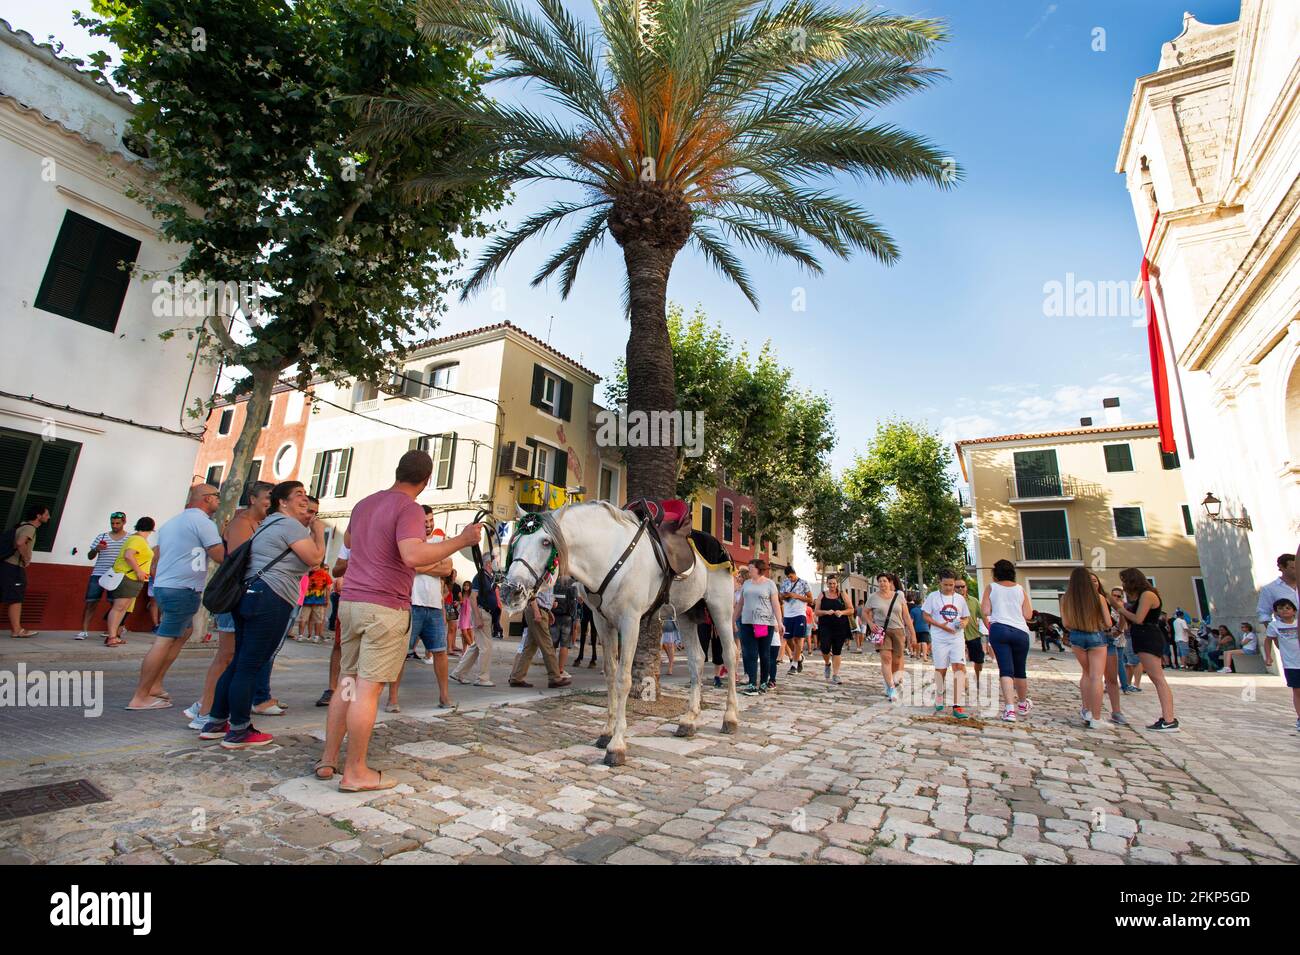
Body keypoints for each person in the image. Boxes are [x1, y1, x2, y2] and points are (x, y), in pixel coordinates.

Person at [318, 451, 478, 789]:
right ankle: (356, 771)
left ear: (397, 471)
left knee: (347, 682)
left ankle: (328, 760)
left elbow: (348, 542)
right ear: (427, 480)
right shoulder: (409, 509)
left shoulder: (364, 504)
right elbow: (413, 554)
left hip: (351, 603)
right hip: (384, 608)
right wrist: (462, 540)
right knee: (368, 689)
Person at [197, 481, 325, 748]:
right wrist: (319, 532)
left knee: (239, 662)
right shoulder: (289, 525)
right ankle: (240, 730)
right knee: (249, 665)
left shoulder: (268, 524)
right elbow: (314, 559)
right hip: (271, 597)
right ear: (283, 502)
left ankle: (217, 721)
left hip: (251, 595)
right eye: (298, 495)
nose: (305, 500)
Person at [126, 485, 225, 710]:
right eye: (217, 497)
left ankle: (155, 685)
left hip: (166, 585)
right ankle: (140, 696)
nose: (219, 501)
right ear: (207, 499)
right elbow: (219, 555)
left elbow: (156, 556)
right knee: (166, 638)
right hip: (183, 588)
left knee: (183, 632)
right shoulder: (203, 523)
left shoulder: (171, 523)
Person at [185, 482, 272, 729]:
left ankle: (203, 703)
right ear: (253, 498)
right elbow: (239, 559)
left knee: (235, 656)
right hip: (237, 593)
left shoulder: (258, 523)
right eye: (267, 497)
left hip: (247, 594)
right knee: (226, 656)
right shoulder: (241, 523)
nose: (271, 502)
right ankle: (205, 712)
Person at [389, 507, 455, 712]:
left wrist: (420, 565)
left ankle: (444, 696)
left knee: (440, 652)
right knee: (400, 654)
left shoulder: (439, 543)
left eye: (431, 520)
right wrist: (431, 563)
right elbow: (408, 566)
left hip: (434, 607)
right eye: (424, 520)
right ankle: (392, 699)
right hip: (411, 605)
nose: (428, 524)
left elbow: (447, 569)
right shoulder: (408, 543)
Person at [1110, 568, 1178, 732]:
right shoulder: (1140, 597)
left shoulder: (1147, 595)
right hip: (1141, 636)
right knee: (1157, 678)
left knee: (1158, 678)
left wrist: (1119, 608)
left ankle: (1169, 719)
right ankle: (1167, 717)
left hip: (1148, 636)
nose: (1124, 585)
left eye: (1125, 581)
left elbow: (1138, 618)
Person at [980, 559, 1034, 723]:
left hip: (999, 629)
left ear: (996, 573)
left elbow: (985, 610)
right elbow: (1028, 614)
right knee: (1020, 670)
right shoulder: (1020, 589)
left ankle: (1009, 709)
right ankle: (1023, 704)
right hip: (1020, 631)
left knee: (1005, 669)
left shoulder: (991, 587)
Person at [1060, 568, 1112, 729]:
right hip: (1096, 635)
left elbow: (1066, 624)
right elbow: (1109, 623)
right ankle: (1096, 718)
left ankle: (1086, 709)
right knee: (1097, 676)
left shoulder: (1066, 599)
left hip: (1076, 637)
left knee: (1086, 673)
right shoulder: (1099, 597)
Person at [921, 570, 970, 718]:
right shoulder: (933, 597)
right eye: (945, 584)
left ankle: (957, 705)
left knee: (959, 668)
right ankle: (939, 695)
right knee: (941, 669)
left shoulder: (960, 599)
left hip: (956, 638)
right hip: (940, 638)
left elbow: (966, 617)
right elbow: (926, 616)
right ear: (939, 583)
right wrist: (940, 625)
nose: (948, 588)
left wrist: (963, 623)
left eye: (951, 585)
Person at [103, 518, 155, 647]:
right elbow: (128, 555)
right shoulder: (137, 540)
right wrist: (138, 571)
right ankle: (111, 636)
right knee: (119, 607)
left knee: (123, 608)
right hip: (129, 576)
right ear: (152, 528)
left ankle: (114, 635)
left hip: (133, 578)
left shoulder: (137, 539)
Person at [508, 582, 569, 688]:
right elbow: (531, 593)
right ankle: (555, 678)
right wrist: (537, 611)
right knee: (547, 646)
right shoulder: (542, 573)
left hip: (541, 610)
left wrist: (548, 611)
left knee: (529, 648)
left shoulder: (550, 575)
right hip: (537, 611)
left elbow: (543, 597)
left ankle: (517, 677)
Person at [736, 557, 782, 696]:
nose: (749, 570)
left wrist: (779, 622)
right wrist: (733, 620)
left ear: (758, 569)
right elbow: (740, 604)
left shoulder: (769, 584)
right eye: (748, 568)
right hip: (747, 623)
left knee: (764, 654)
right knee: (750, 654)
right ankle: (751, 684)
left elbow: (775, 604)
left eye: (751, 568)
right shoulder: (746, 584)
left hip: (764, 623)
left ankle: (763, 682)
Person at [2, 504, 50, 638]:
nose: (48, 517)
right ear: (38, 516)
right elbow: (20, 543)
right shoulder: (30, 528)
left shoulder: (21, 525)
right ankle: (17, 630)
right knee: (16, 598)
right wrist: (26, 558)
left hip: (6, 566)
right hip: (13, 567)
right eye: (46, 514)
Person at [80, 511, 130, 639]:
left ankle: (112, 631)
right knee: (91, 602)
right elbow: (90, 556)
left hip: (116, 575)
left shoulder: (129, 539)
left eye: (117, 523)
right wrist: (96, 549)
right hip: (98, 573)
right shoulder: (102, 536)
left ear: (124, 522)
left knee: (115, 604)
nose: (114, 526)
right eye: (112, 523)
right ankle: (84, 631)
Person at [451, 553, 498, 687]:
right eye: (495, 561)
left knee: (477, 647)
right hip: (482, 613)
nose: (497, 563)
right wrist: (477, 617)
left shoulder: (490, 577)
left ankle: (458, 673)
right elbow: (473, 597)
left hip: (486, 614)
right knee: (486, 647)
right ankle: (482, 678)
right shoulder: (480, 577)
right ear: (489, 563)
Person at [867, 573, 912, 701]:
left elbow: (906, 616)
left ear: (890, 583)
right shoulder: (873, 598)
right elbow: (866, 612)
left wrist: (912, 634)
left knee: (897, 660)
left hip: (898, 630)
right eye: (880, 581)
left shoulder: (898, 597)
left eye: (885, 581)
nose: (882, 583)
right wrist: (871, 624)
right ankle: (891, 687)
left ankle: (892, 679)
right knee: (886, 658)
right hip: (882, 631)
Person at [1093, 573, 1128, 724]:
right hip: (1091, 638)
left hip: (1106, 636)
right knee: (1093, 677)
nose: (1093, 583)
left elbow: (1123, 611)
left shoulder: (1106, 597)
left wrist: (1119, 629)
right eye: (1089, 581)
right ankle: (1090, 709)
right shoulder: (1081, 599)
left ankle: (1116, 711)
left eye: (1094, 580)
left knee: (1111, 677)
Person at [1263, 597, 1300, 732]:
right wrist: (1268, 656)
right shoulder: (1275, 626)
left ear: (1294, 611)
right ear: (1276, 612)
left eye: (1287, 608)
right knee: (1297, 690)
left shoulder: (1298, 623)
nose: (1284, 610)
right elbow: (1268, 641)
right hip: (1291, 663)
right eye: (1280, 608)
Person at [814, 576, 854, 685]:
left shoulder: (842, 594)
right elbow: (816, 611)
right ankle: (827, 663)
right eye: (830, 583)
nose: (832, 586)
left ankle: (836, 675)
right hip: (825, 625)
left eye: (834, 583)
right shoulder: (822, 594)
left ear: (837, 584)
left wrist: (842, 613)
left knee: (837, 650)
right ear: (827, 584)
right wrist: (826, 612)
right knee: (825, 648)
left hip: (840, 626)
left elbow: (851, 609)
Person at [954, 579, 988, 690]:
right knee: (959, 660)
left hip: (973, 635)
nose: (960, 589)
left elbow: (983, 617)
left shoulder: (974, 601)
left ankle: (977, 678)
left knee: (979, 660)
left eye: (962, 586)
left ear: (966, 587)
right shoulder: (951, 601)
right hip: (957, 635)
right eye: (957, 587)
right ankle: (964, 682)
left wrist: (991, 631)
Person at [779, 566, 813, 675]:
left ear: (795, 573)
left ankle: (794, 664)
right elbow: (780, 596)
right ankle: (798, 657)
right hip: (788, 614)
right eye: (788, 577)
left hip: (799, 613)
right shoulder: (785, 583)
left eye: (791, 576)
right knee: (788, 639)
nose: (790, 579)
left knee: (798, 638)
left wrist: (796, 596)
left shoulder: (804, 583)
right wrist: (785, 596)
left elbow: (810, 600)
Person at [1256, 554, 1296, 632]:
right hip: (1288, 636)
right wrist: (1275, 634)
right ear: (1282, 567)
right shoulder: (1269, 589)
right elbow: (1264, 613)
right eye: (1293, 568)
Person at [551, 574, 579, 679]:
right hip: (567, 617)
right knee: (564, 645)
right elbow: (574, 602)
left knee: (552, 645)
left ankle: (552, 669)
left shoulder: (554, 581)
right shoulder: (572, 583)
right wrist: (574, 618)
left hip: (554, 616)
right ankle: (560, 669)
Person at [297, 562, 332, 642]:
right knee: (316, 619)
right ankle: (315, 637)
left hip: (310, 600)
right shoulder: (324, 574)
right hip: (317, 601)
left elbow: (328, 588)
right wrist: (327, 599)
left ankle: (301, 636)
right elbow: (328, 588)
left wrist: (327, 599)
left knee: (304, 618)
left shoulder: (307, 573)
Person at [574, 591, 599, 669]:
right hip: (587, 605)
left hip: (594, 605)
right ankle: (583, 656)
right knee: (584, 632)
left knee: (593, 634)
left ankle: (592, 657)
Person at [908, 592, 931, 662]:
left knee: (918, 642)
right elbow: (929, 619)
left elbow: (911, 621)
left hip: (916, 629)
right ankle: (924, 656)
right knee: (924, 642)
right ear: (922, 602)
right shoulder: (925, 610)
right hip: (925, 628)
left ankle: (918, 655)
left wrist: (910, 629)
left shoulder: (913, 610)